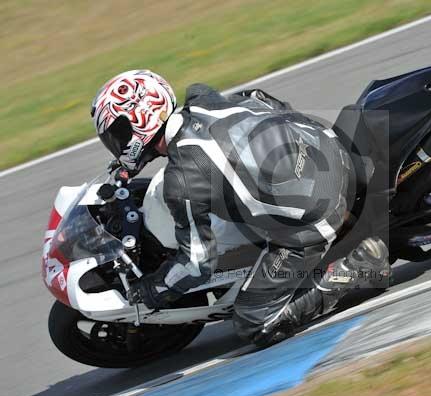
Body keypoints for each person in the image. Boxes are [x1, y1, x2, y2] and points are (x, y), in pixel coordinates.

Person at [91, 69, 390, 346]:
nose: (117, 144)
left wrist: (153, 290)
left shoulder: (182, 179)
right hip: (325, 145)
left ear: (140, 121)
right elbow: (264, 100)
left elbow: (197, 264)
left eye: (117, 134)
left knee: (254, 323)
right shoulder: (203, 99)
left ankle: (360, 267)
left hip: (315, 215)